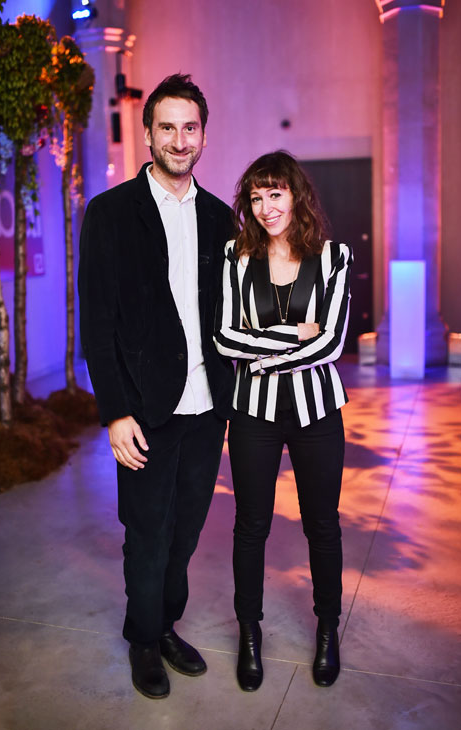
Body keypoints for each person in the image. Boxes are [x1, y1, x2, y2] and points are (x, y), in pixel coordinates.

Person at [78, 74, 234, 700]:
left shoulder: (224, 219)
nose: (178, 139)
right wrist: (114, 412)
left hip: (207, 407)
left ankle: (165, 623)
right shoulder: (111, 213)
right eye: (165, 127)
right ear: (147, 133)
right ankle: (143, 639)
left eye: (189, 127)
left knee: (188, 529)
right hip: (145, 409)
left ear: (203, 135)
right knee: (147, 531)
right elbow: (98, 322)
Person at [214, 150, 353, 691]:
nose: (267, 207)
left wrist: (261, 353)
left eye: (276, 193)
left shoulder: (334, 256)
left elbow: (333, 343)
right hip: (254, 413)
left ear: (296, 194)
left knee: (323, 523)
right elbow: (225, 338)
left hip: (317, 410)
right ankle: (249, 635)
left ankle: (327, 631)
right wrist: (297, 336)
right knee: (251, 526)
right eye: (256, 196)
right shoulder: (235, 256)